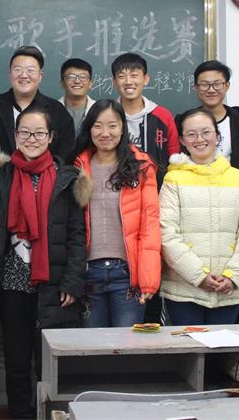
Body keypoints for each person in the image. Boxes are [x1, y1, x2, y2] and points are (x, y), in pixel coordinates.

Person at [0, 106, 86, 419]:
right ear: (15, 136)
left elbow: (77, 235)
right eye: (24, 132)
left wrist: (72, 282)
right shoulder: (1, 175)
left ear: (51, 137)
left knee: (48, 364)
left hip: (53, 283)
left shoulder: (68, 178)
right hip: (12, 284)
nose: (31, 138)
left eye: (39, 133)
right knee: (16, 362)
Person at [159, 108, 239, 326]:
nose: (199, 139)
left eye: (206, 132)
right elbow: (166, 234)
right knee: (187, 346)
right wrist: (199, 276)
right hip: (184, 290)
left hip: (228, 289)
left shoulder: (238, 179)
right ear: (182, 140)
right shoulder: (173, 180)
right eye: (191, 134)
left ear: (217, 135)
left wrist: (234, 276)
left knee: (222, 347)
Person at [72, 99, 161, 328]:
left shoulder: (140, 167)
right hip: (88, 274)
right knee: (92, 346)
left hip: (127, 274)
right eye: (98, 126)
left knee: (127, 346)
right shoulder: (77, 167)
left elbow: (150, 224)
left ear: (122, 128)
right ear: (89, 128)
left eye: (112, 125)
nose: (105, 133)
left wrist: (148, 279)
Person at [0, 46, 76, 161]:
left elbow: (66, 153)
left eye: (30, 70)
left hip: (47, 172)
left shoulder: (57, 111)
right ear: (10, 74)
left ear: (40, 76)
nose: (24, 75)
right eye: (17, 69)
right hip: (1, 172)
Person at [176, 60, 239, 172]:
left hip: (234, 182)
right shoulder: (184, 122)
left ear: (227, 86)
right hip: (193, 181)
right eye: (204, 85)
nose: (211, 90)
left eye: (217, 84)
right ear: (196, 87)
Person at [111, 52, 179, 189]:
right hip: (116, 189)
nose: (128, 81)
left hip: (156, 190)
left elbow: (175, 158)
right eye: (121, 76)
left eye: (134, 75)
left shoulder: (162, 115)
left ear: (146, 79)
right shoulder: (107, 115)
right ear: (114, 82)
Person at [57, 58, 96, 137]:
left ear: (90, 84)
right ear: (62, 83)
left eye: (83, 77)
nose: (77, 81)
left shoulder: (99, 110)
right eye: (71, 77)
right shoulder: (51, 110)